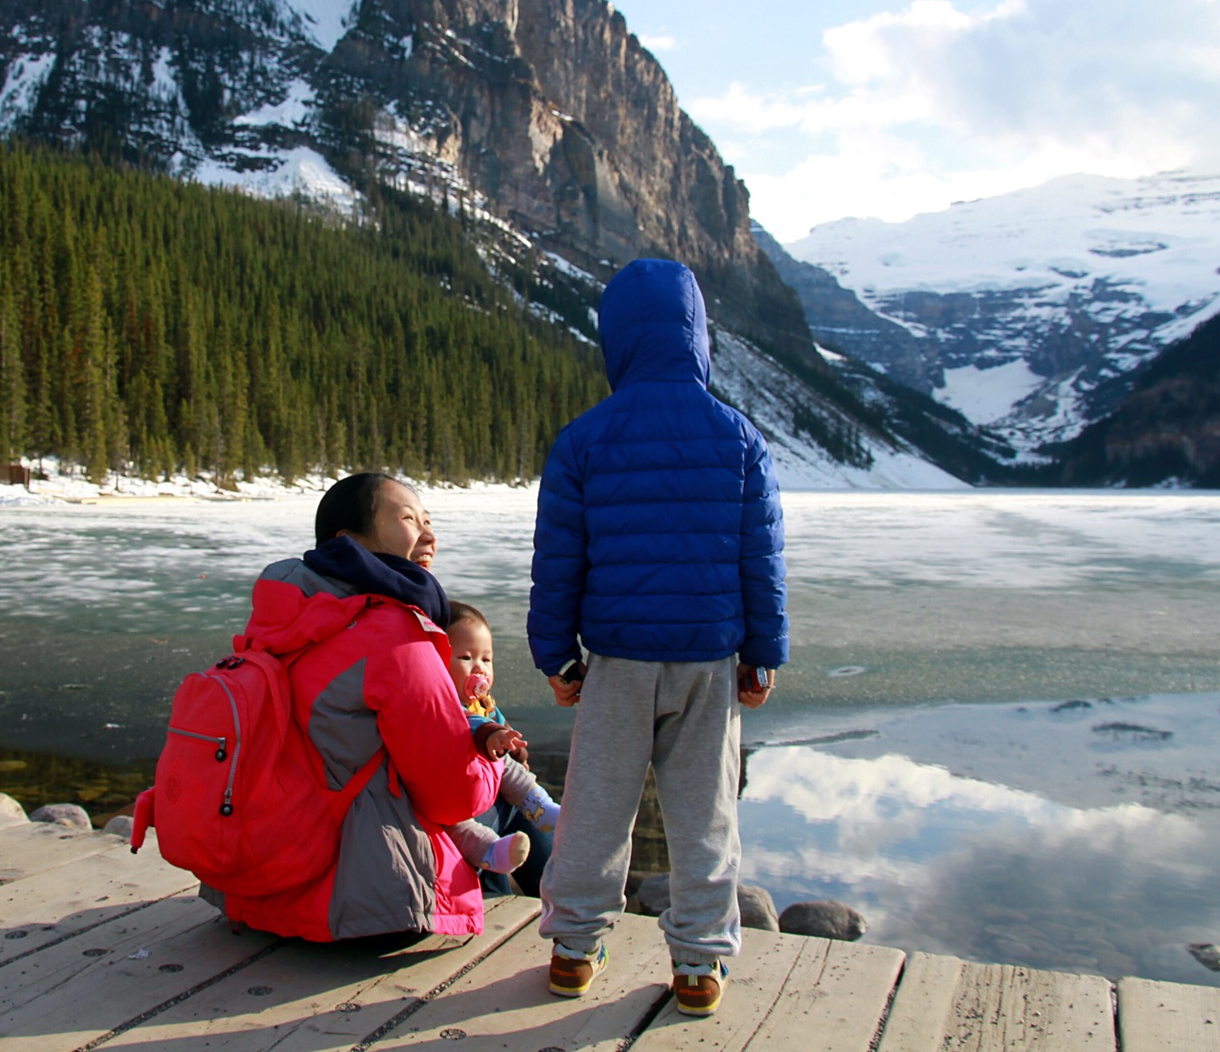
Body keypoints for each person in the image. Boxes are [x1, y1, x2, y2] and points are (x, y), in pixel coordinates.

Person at [527, 258, 787, 1018]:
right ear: (698, 336)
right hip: (709, 659)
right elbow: (759, 558)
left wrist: (557, 656)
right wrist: (763, 652)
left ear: (617, 340)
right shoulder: (739, 438)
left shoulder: (583, 441)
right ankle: (701, 965)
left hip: (615, 660)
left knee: (596, 807)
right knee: (706, 812)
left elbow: (558, 563)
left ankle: (574, 948)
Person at [205, 472, 501, 940]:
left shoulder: (281, 615)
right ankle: (561, 928)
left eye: (428, 519)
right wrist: (491, 746)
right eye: (407, 518)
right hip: (362, 905)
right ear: (349, 540)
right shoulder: (397, 635)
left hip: (253, 888)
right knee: (498, 799)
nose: (429, 534)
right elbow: (454, 795)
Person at [440, 603, 561, 882]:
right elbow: (475, 725)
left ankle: (539, 806)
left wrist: (514, 745)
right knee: (462, 826)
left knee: (514, 771)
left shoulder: (483, 702)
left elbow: (498, 721)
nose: (479, 668)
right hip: (456, 795)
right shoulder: (442, 703)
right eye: (466, 657)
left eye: (486, 659)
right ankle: (493, 853)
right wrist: (494, 735)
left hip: (487, 783)